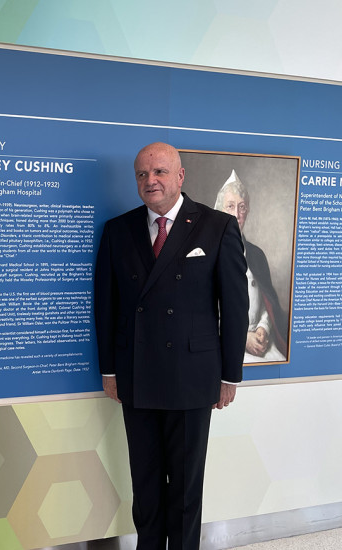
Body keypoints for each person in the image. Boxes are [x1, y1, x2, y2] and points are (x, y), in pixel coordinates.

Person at [94, 142, 248, 549]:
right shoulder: (118, 230)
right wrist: (108, 371)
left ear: (180, 176)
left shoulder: (217, 227)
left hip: (193, 379)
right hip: (136, 376)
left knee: (184, 491)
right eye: (143, 175)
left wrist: (230, 375)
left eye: (160, 172)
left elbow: (234, 308)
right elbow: (105, 308)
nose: (151, 181)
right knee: (145, 487)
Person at [214, 170, 287, 363]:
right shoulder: (208, 254)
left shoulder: (256, 254)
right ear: (220, 210)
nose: (236, 214)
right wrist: (242, 338)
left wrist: (264, 328)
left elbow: (266, 303)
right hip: (222, 342)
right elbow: (203, 310)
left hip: (260, 341)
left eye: (242, 207)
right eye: (230, 206)